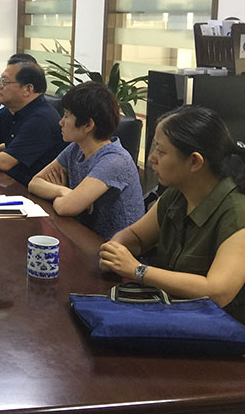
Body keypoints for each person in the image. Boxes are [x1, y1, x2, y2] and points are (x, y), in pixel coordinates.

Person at [99, 106, 245, 323]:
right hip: (174, 315)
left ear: (195, 161)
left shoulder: (236, 212)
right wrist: (115, 250)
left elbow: (217, 292)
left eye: (161, 151)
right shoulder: (177, 194)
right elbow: (137, 237)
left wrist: (137, 270)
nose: (152, 158)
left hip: (222, 330)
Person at [28, 82, 144, 240]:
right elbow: (35, 182)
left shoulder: (114, 160)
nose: (61, 122)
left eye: (66, 116)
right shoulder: (76, 148)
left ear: (88, 125)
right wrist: (63, 191)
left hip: (113, 247)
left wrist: (66, 198)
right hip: (81, 236)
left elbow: (66, 207)